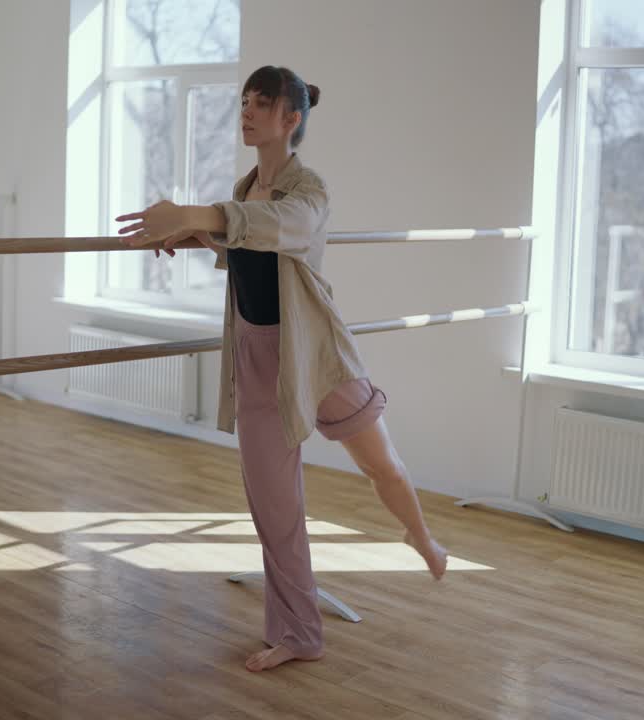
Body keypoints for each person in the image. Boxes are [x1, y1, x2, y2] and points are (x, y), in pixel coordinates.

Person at [116, 65, 447, 673]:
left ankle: (421, 536)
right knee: (275, 509)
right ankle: (298, 634)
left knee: (383, 468)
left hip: (317, 356)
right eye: (244, 101)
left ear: (290, 119)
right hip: (258, 361)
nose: (246, 112)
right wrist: (191, 233)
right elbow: (242, 246)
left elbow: (281, 230)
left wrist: (194, 213)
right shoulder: (242, 191)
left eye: (260, 103)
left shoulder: (308, 190)